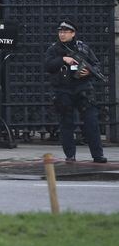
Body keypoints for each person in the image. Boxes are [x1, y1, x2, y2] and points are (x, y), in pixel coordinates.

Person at [43, 20, 107, 164]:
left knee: (91, 122)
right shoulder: (53, 49)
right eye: (60, 31)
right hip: (62, 90)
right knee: (66, 124)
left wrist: (88, 73)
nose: (62, 34)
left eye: (65, 32)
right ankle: (70, 156)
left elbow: (96, 65)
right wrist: (63, 59)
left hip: (82, 88)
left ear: (73, 33)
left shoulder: (83, 48)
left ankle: (98, 155)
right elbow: (48, 66)